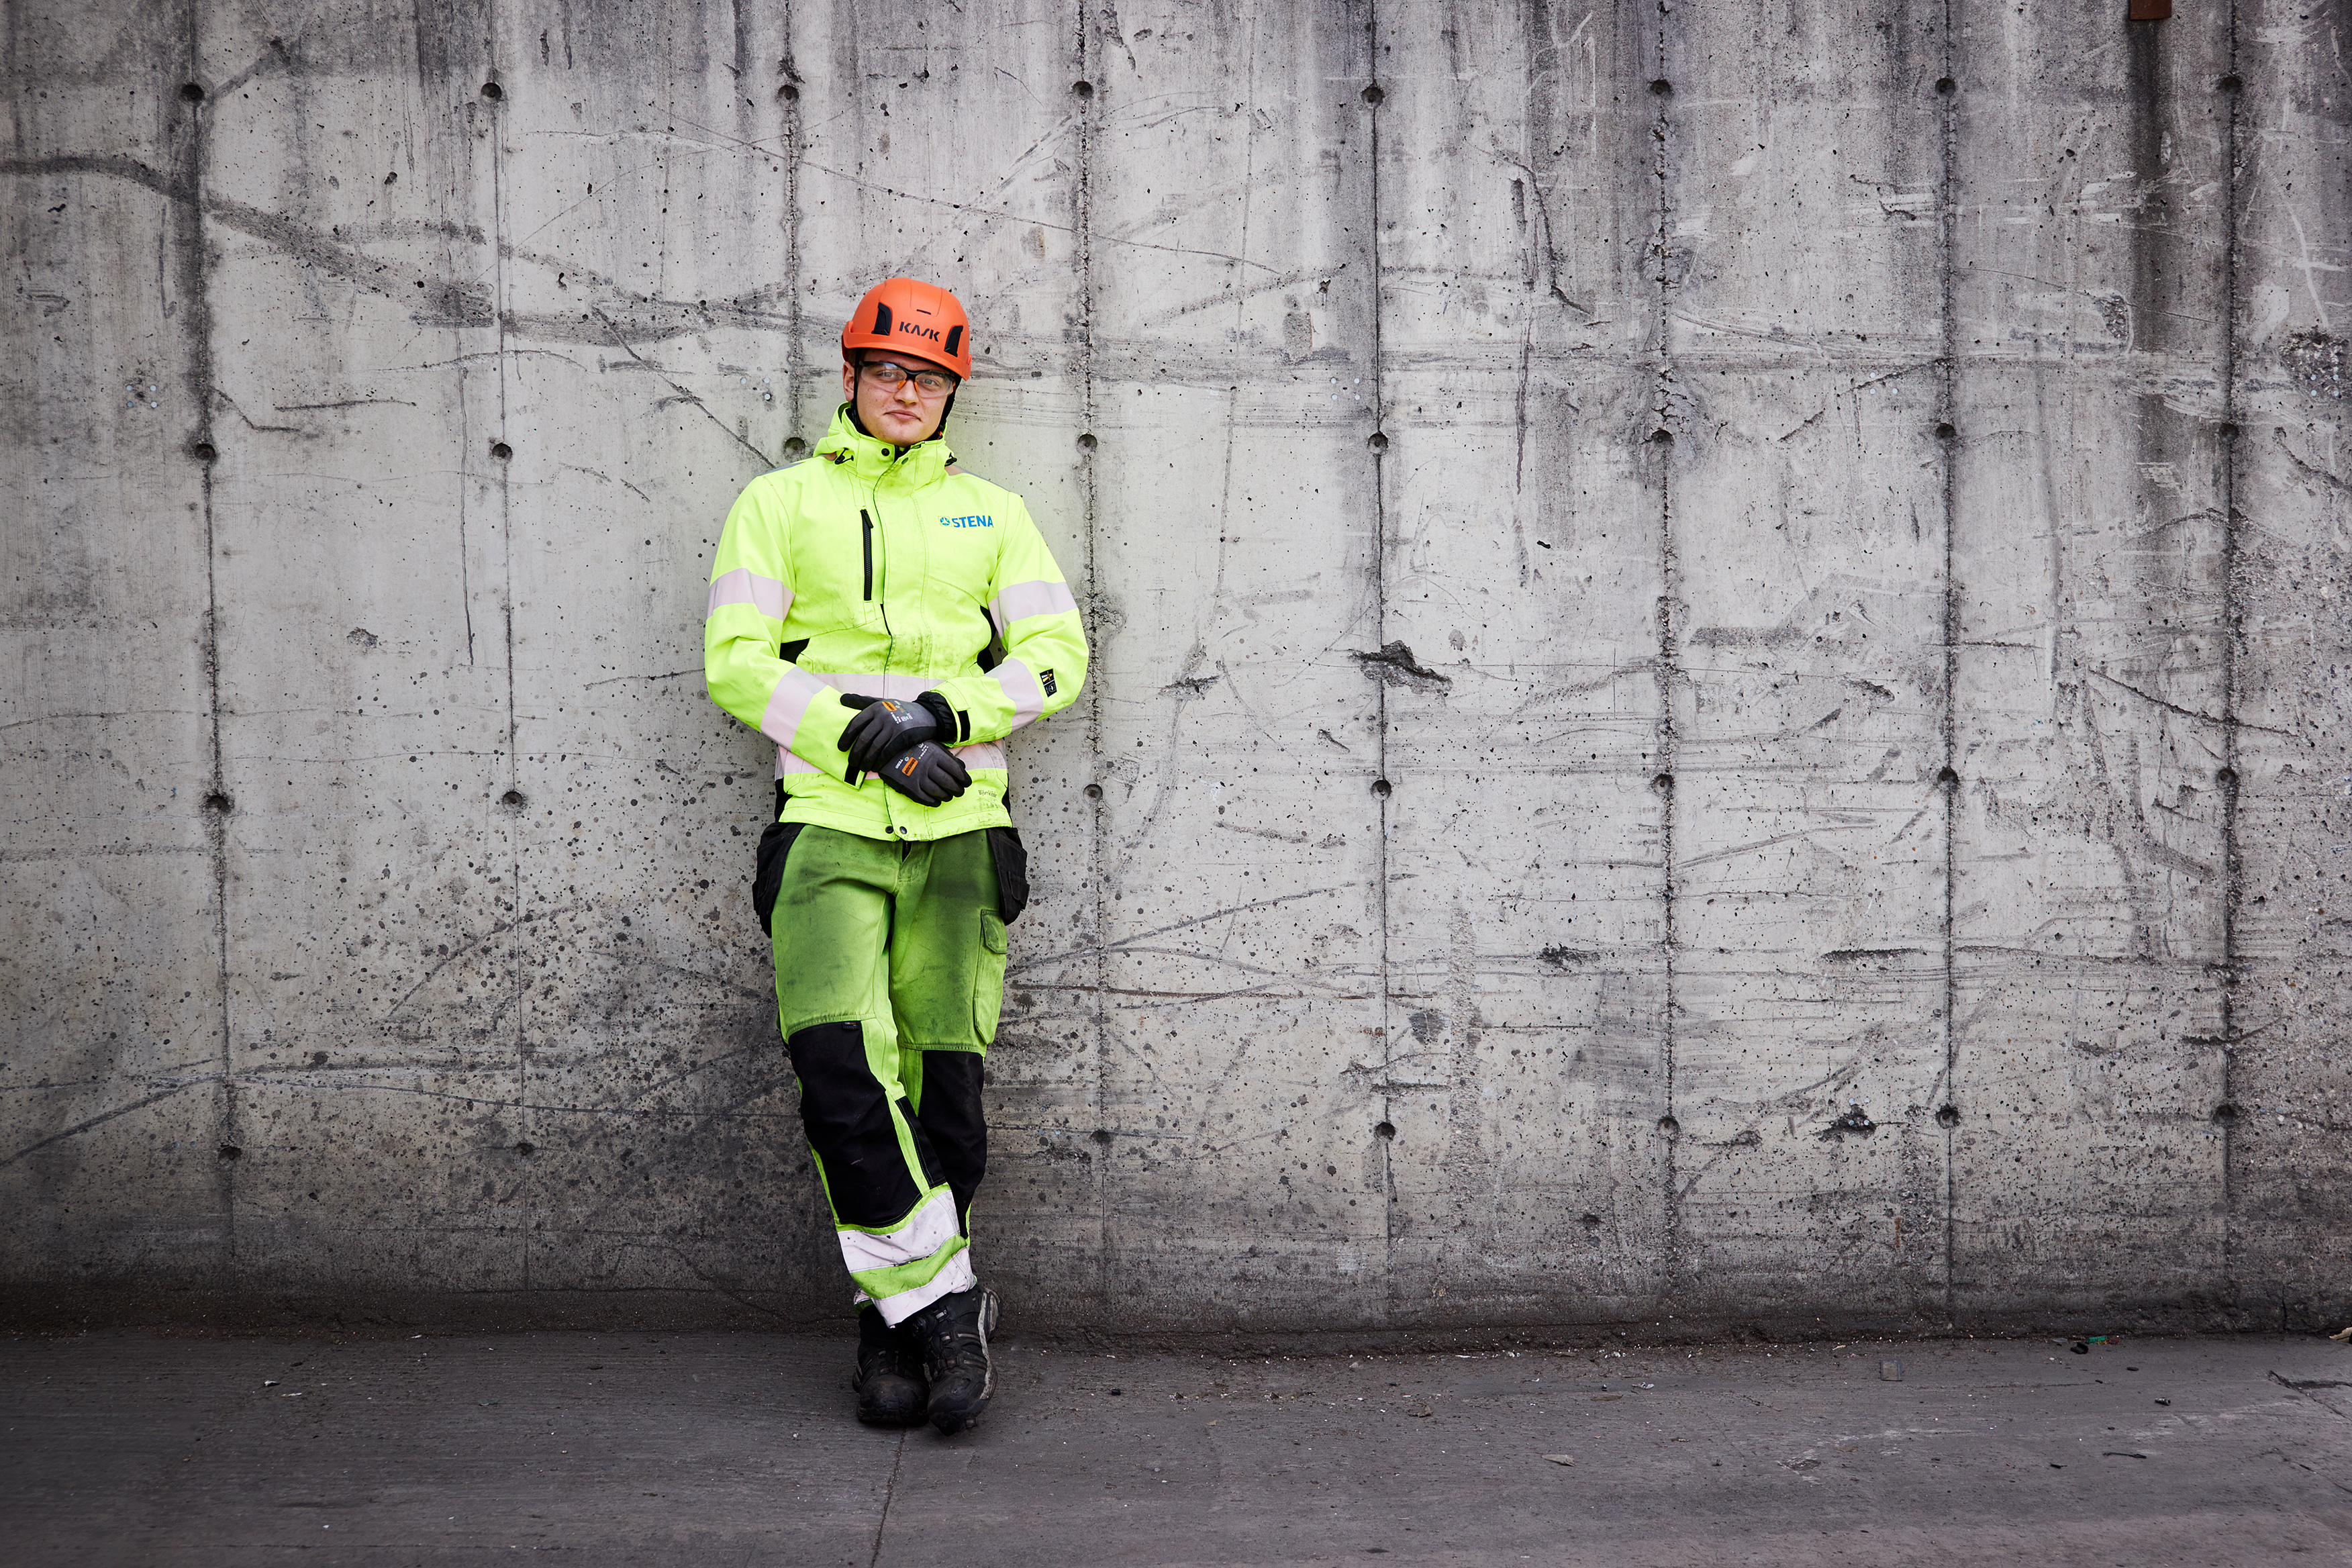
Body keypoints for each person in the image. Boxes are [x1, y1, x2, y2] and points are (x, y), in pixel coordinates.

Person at [702, 277, 1087, 1435]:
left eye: (928, 378)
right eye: (887, 372)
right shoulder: (779, 503)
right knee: (840, 1074)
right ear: (851, 377)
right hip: (828, 821)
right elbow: (735, 661)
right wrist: (869, 741)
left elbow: (1058, 654)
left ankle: (892, 1328)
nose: (907, 393)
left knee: (945, 1094)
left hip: (963, 829)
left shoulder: (993, 513)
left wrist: (943, 716)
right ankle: (947, 1306)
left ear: (950, 391)